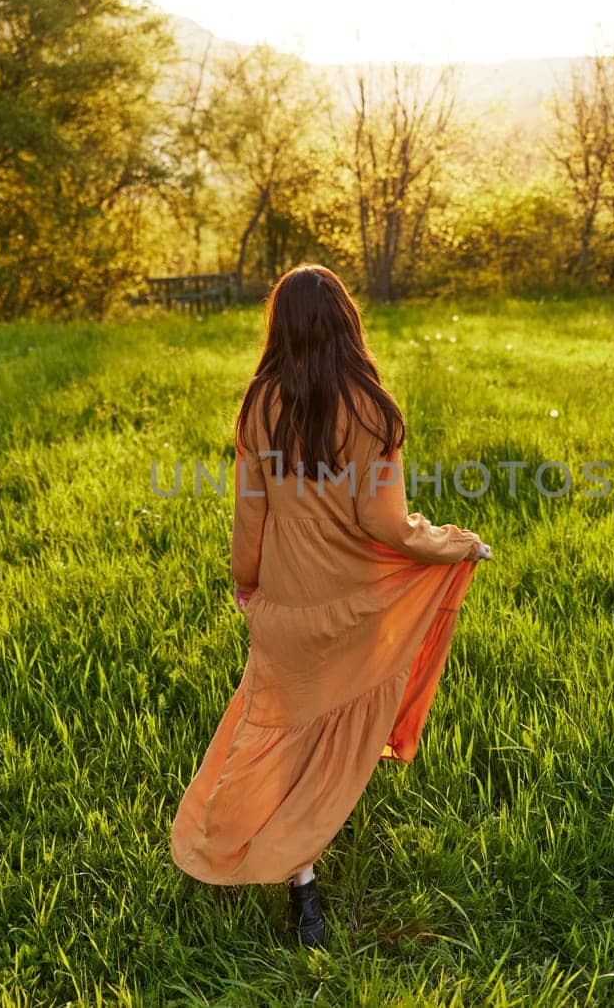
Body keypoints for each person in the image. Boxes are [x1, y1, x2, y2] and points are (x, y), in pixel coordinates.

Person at [169, 263, 492, 949]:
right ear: (346, 321)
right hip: (355, 610)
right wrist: (456, 542)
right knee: (327, 742)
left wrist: (247, 585)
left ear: (279, 326)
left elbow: (248, 517)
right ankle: (304, 873)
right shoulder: (373, 409)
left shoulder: (260, 404)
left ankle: (301, 886)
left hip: (288, 608)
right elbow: (390, 526)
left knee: (285, 738)